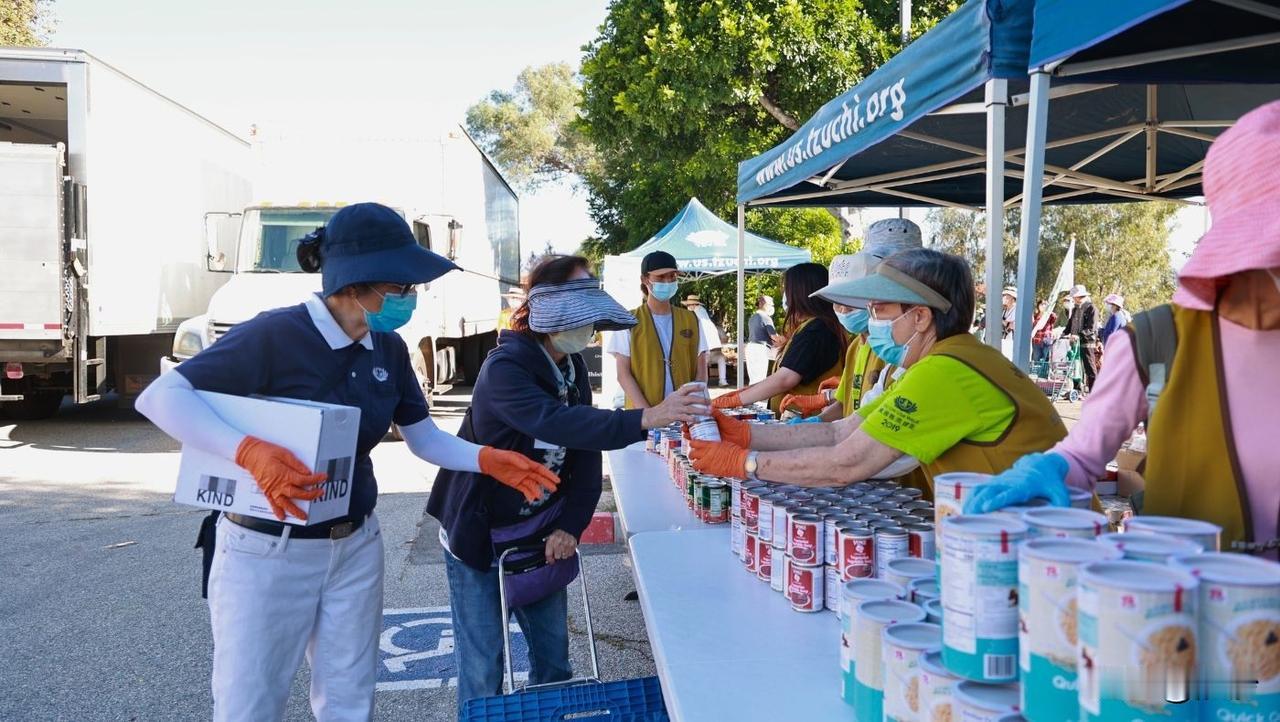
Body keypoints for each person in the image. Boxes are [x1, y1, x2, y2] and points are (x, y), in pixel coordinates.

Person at [135, 203, 560, 722]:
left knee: (349, 699)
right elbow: (162, 397)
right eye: (400, 286)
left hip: (355, 546)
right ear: (356, 283)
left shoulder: (388, 347)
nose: (410, 296)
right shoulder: (276, 334)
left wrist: (485, 459)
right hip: (268, 551)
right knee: (250, 704)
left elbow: (422, 437)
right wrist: (246, 450)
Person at [964, 100, 1280, 559]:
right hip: (1183, 611)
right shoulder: (1157, 342)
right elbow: (1083, 457)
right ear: (1250, 252)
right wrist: (1048, 468)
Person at [429, 256, 709, 710]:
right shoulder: (504, 368)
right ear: (548, 312)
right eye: (581, 315)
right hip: (477, 533)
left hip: (541, 535)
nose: (589, 330)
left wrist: (571, 526)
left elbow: (584, 454)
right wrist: (647, 418)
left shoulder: (573, 366)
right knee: (482, 669)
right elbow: (558, 422)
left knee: (555, 663)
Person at [689, 249, 1067, 496]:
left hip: (1044, 549)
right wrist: (746, 434)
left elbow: (846, 462)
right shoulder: (945, 361)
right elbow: (841, 430)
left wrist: (745, 462)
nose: (872, 323)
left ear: (920, 317)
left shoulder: (947, 371)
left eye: (880, 310)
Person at [777, 218, 923, 421]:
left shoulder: (901, 349)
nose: (844, 309)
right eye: (837, 301)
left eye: (853, 300)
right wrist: (820, 420)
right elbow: (857, 409)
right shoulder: (861, 345)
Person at [713, 262, 846, 414]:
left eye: (787, 290)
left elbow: (785, 379)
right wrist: (739, 394)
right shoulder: (812, 326)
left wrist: (734, 401)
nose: (785, 296)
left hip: (805, 425)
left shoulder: (817, 330)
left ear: (800, 293)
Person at [607, 250, 708, 409]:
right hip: (642, 418)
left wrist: (692, 406)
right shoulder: (627, 321)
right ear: (644, 279)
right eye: (661, 277)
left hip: (684, 416)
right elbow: (623, 374)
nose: (668, 282)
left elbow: (701, 370)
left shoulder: (692, 320)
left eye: (672, 276)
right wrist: (649, 415)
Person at [682, 294, 728, 386]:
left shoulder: (695, 314)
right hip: (710, 349)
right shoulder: (702, 314)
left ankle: (701, 383)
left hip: (703, 349)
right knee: (720, 359)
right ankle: (722, 380)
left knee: (703, 364)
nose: (688, 307)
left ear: (693, 305)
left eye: (689, 305)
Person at [1065, 285, 1100, 393]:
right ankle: (1077, 390)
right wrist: (1063, 333)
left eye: (1074, 297)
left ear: (1079, 296)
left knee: (1090, 368)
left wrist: (1079, 335)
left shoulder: (1092, 308)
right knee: (1075, 367)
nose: (1073, 299)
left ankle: (1094, 392)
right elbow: (1070, 324)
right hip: (1075, 342)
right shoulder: (1076, 308)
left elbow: (1091, 328)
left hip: (1087, 343)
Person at [745, 294, 781, 384]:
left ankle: (752, 398)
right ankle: (758, 398)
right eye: (772, 305)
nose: (773, 307)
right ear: (765, 305)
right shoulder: (765, 317)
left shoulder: (752, 317)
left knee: (753, 380)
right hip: (760, 350)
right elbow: (774, 337)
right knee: (760, 379)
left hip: (750, 348)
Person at [1030, 300, 1058, 370]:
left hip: (1047, 340)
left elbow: (1055, 319)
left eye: (1045, 304)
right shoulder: (1035, 316)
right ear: (1038, 305)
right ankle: (1036, 373)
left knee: (1046, 358)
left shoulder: (1050, 315)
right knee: (1036, 358)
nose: (1043, 306)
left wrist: (1049, 310)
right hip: (1036, 340)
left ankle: (1045, 373)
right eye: (1041, 304)